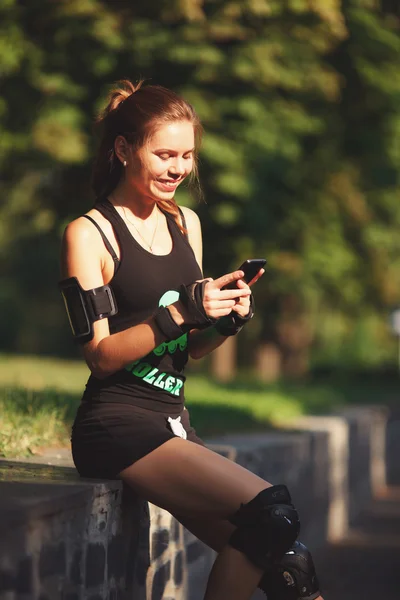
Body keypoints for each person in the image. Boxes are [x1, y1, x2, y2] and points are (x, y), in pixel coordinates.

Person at [60, 79, 323, 600]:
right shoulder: (89, 234)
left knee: (289, 566)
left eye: (187, 155)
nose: (178, 168)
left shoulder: (187, 223)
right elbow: (100, 356)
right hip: (118, 427)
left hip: (173, 421)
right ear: (122, 149)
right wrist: (183, 311)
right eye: (163, 155)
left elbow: (189, 349)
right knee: (273, 514)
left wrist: (224, 320)